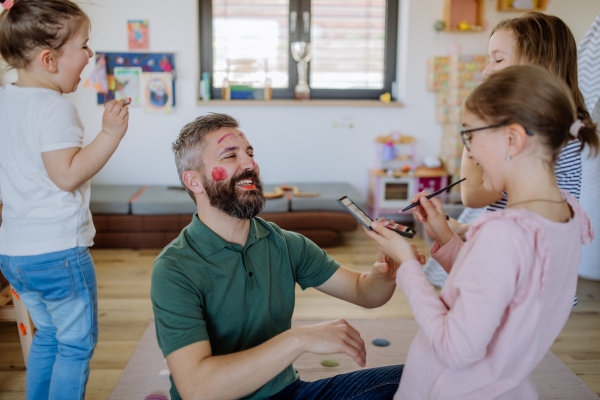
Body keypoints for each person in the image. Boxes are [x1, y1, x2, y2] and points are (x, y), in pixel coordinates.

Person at [151, 113, 424, 400]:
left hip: (288, 393)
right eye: (230, 156)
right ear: (194, 181)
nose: (250, 164)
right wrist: (299, 339)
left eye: (250, 153)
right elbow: (197, 388)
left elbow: (363, 292)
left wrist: (385, 274)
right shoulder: (174, 269)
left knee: (426, 375)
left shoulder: (285, 244)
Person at [366, 65, 596, 399]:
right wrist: (446, 237)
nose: (470, 152)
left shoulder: (503, 233)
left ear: (513, 138)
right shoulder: (570, 214)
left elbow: (454, 349)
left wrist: (408, 267)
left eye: (470, 136)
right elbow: (502, 291)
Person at [0, 1, 129, 399]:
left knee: (49, 337)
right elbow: (66, 175)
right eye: (85, 46)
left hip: (15, 253)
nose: (90, 55)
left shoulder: (6, 102)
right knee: (74, 344)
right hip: (57, 253)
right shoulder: (54, 108)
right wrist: (110, 134)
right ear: (50, 59)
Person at [425, 13, 598, 296]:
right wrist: (465, 229)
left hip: (519, 274)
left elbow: (475, 195)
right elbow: (519, 211)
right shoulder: (564, 124)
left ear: (535, 64)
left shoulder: (525, 134)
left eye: (498, 59)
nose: (486, 70)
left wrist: (471, 140)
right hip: (543, 271)